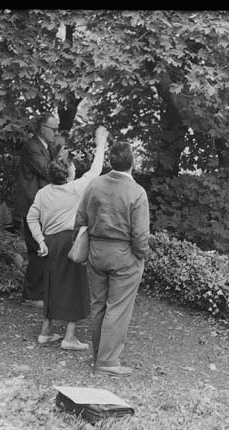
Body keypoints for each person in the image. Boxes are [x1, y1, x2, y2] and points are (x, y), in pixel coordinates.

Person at [26, 126, 109, 350]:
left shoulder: (43, 193)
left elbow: (31, 218)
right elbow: (96, 170)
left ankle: (45, 332)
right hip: (71, 242)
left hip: (51, 244)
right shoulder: (75, 189)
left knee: (51, 285)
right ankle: (69, 338)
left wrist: (41, 240)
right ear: (69, 174)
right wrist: (101, 143)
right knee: (75, 286)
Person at [75, 141, 150, 376]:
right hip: (124, 255)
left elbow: (79, 220)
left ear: (110, 161)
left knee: (98, 305)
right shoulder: (136, 192)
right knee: (117, 307)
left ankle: (100, 355)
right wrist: (140, 255)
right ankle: (107, 363)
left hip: (96, 252)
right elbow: (140, 235)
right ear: (133, 162)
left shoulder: (95, 185)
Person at [13, 113, 61, 307]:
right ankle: (31, 296)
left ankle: (39, 292)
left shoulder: (42, 147)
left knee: (41, 249)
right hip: (31, 207)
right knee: (36, 250)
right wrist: (62, 159)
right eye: (53, 129)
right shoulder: (33, 147)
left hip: (37, 206)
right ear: (43, 128)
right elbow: (48, 171)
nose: (55, 133)